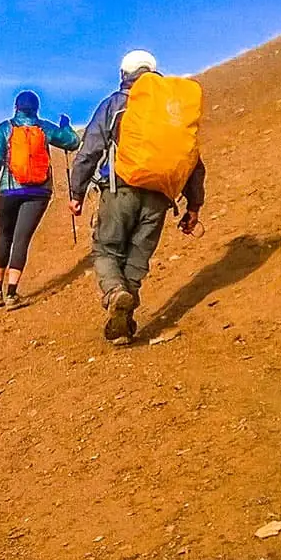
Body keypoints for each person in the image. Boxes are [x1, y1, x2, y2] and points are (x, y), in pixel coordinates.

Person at [69, 50, 206, 344]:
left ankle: (115, 293)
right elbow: (193, 159)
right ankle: (122, 325)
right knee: (136, 260)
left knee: (106, 250)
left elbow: (90, 148)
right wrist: (193, 206)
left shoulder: (116, 104)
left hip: (121, 188)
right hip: (160, 196)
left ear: (123, 74)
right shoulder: (172, 109)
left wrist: (76, 192)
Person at [0, 91, 80, 310]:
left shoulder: (6, 128)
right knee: (22, 240)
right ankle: (12, 294)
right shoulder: (44, 127)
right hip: (39, 192)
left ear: (16, 107)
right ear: (36, 108)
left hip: (9, 191)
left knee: (4, 237)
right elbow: (72, 142)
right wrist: (66, 126)